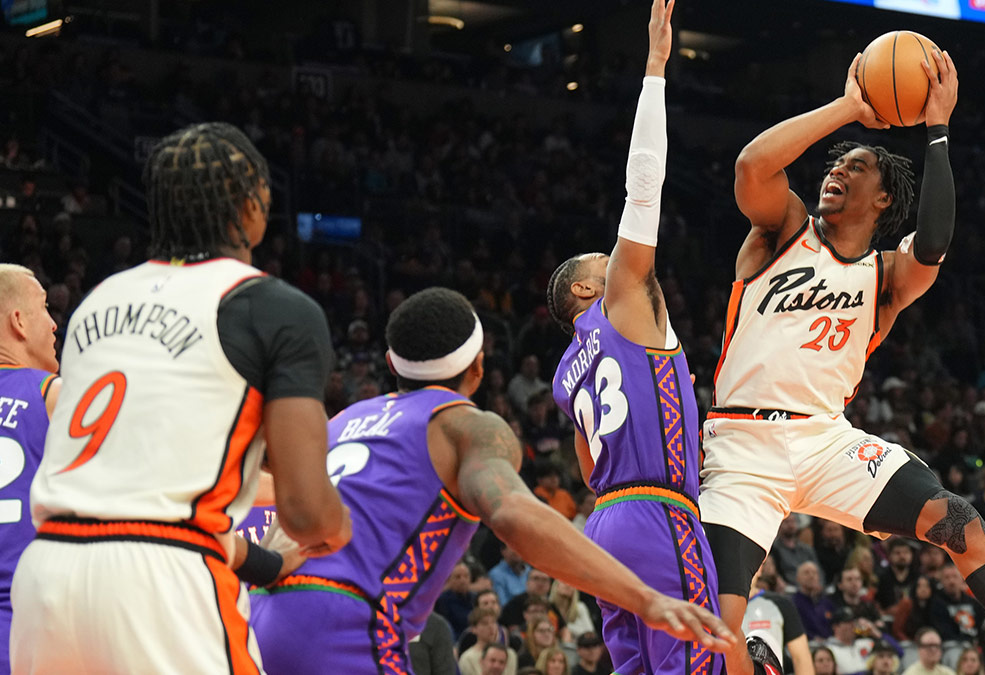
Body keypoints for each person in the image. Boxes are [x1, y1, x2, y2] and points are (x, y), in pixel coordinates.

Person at [698, 44, 985, 675]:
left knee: (958, 520)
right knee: (715, 632)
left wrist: (937, 127)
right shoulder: (783, 230)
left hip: (824, 440)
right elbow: (753, 163)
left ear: (885, 199)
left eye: (855, 166)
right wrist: (846, 109)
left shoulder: (885, 278)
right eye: (835, 166)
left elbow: (936, 241)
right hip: (742, 446)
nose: (835, 171)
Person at [10, 122, 353, 673]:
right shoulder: (275, 307)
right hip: (160, 584)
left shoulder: (100, 299)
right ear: (251, 207)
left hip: (46, 578)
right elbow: (308, 514)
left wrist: (261, 562)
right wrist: (343, 525)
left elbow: (134, 493)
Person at [248, 288, 732, 673]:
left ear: (393, 365)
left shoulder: (345, 420)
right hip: (346, 624)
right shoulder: (466, 425)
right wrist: (645, 598)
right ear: (478, 369)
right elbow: (511, 513)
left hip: (262, 614)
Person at [547, 2, 735, 675]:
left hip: (605, 526)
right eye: (601, 262)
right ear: (580, 292)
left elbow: (590, 470)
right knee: (695, 664)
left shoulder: (566, 373)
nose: (614, 256)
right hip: (659, 512)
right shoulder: (622, 299)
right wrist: (654, 72)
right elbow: (644, 186)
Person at [0, 264, 60, 674]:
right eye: (45, 309)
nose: (55, 324)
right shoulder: (52, 396)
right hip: (29, 634)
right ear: (18, 321)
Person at [743, 559, 815, 675]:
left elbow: (801, 658)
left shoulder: (781, 604)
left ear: (760, 568)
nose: (743, 569)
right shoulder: (713, 603)